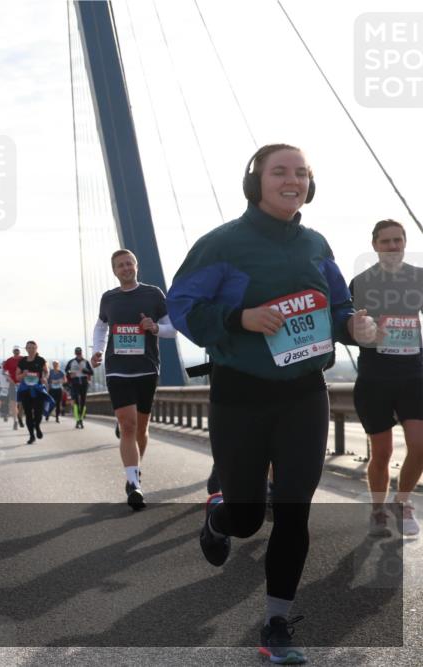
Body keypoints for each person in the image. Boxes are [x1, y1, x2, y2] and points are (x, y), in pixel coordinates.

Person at [167, 143, 375, 664]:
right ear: (254, 181)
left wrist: (354, 326)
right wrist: (240, 319)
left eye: (302, 172)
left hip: (305, 394)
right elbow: (182, 305)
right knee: (245, 520)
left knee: (293, 511)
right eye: (280, 171)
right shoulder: (223, 245)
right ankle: (220, 516)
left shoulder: (315, 243)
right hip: (241, 393)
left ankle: (277, 623)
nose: (293, 180)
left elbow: (337, 302)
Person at [350, 219, 422, 537]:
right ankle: (378, 510)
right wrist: (364, 334)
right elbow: (346, 329)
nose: (393, 246)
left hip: (414, 376)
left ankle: (402, 501)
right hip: (375, 378)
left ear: (405, 243)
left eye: (398, 240)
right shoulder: (361, 283)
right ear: (375, 245)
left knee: (420, 447)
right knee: (382, 452)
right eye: (386, 241)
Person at [91, 249, 177, 511]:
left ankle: (135, 470)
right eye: (120, 265)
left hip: (147, 369)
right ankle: (133, 483)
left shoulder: (153, 294)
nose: (125, 268)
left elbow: (172, 330)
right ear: (114, 270)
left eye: (129, 264)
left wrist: (154, 328)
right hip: (117, 369)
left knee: (140, 428)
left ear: (136, 267)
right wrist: (97, 349)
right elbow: (101, 326)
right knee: (127, 426)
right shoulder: (109, 298)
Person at [16, 340, 50, 444]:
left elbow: (46, 371)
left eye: (33, 348)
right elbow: (17, 377)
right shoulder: (22, 362)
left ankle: (37, 426)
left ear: (36, 349)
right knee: (28, 414)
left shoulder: (40, 360)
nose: (31, 349)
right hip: (26, 390)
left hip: (38, 389)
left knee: (38, 413)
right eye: (29, 348)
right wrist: (23, 375)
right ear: (26, 349)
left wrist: (45, 378)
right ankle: (31, 436)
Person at [65, 347, 93, 428]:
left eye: (79, 353)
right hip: (75, 383)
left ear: (81, 353)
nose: (78, 354)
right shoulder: (71, 362)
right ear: (75, 353)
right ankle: (77, 420)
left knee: (83, 402)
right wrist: (70, 373)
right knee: (76, 401)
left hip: (84, 383)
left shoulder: (85, 362)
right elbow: (66, 371)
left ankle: (81, 419)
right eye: (77, 353)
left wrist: (84, 371)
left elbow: (91, 372)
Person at [1, 346, 24, 429]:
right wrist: (8, 378)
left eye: (17, 350)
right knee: (14, 404)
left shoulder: (24, 359)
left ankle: (19, 417)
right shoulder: (9, 360)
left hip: (23, 383)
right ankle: (15, 421)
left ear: (20, 351)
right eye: (15, 350)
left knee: (22, 404)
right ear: (13, 351)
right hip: (12, 384)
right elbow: (4, 371)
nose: (16, 351)